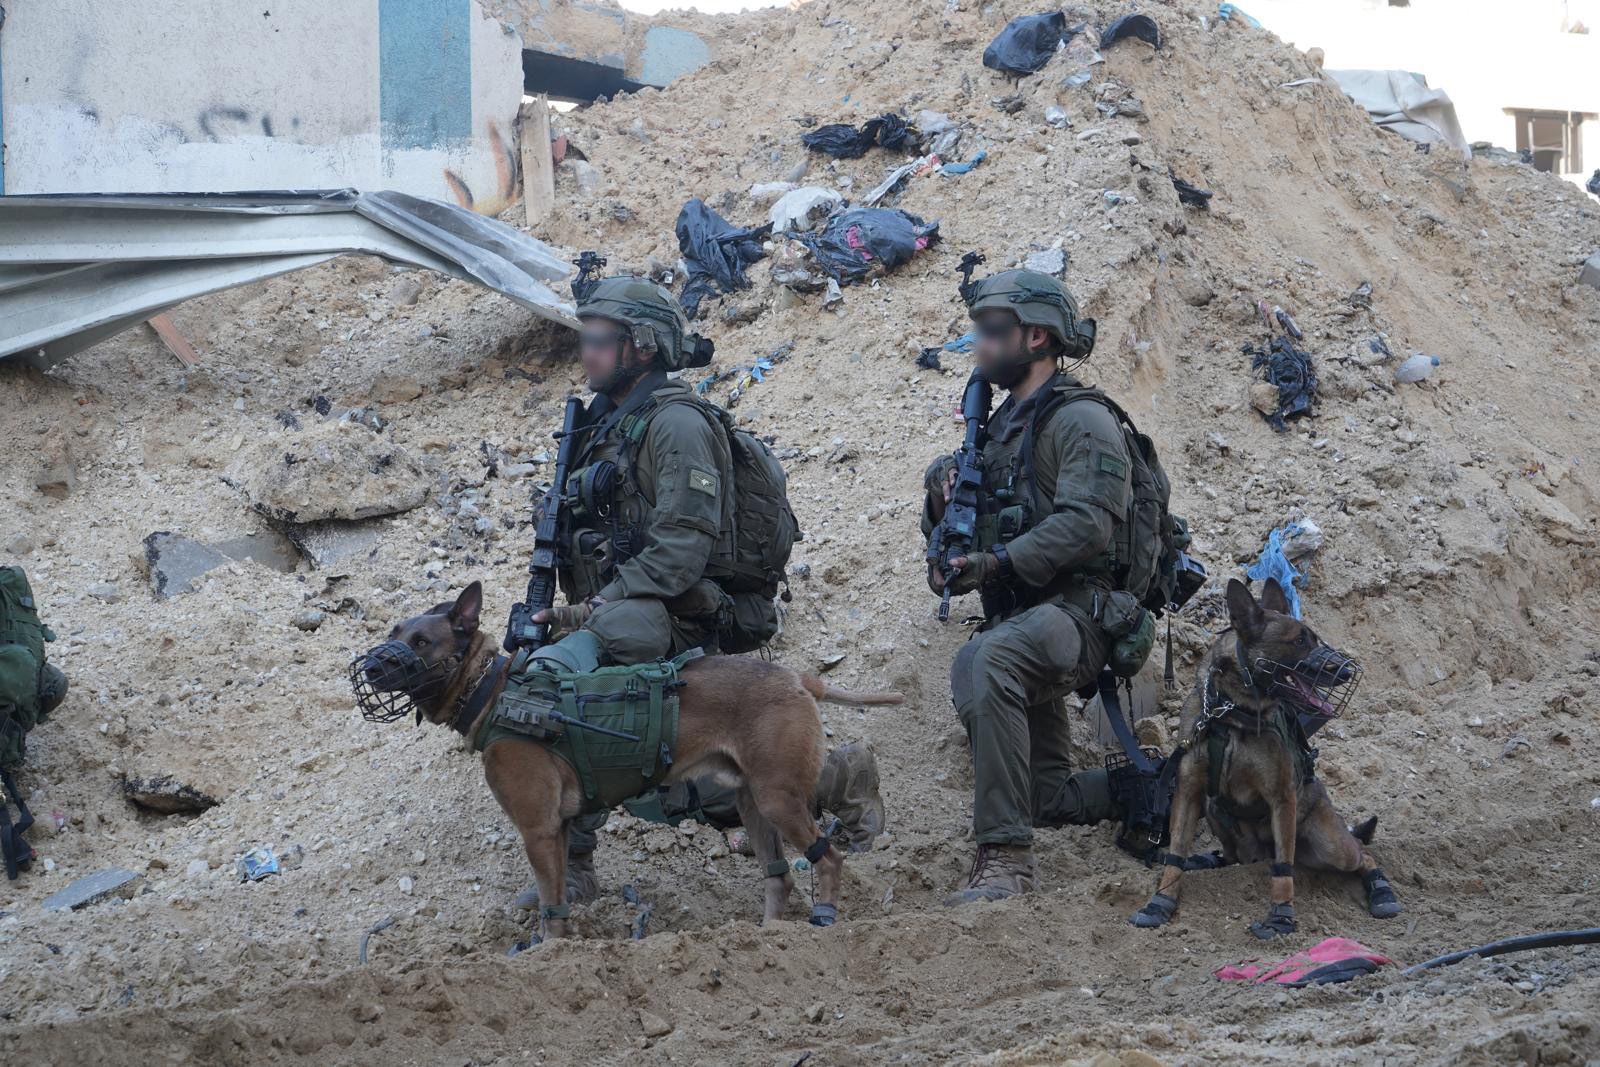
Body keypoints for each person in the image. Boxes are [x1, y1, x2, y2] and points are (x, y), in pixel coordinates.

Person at [519, 276, 883, 905]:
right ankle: (575, 866)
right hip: (622, 615)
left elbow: (680, 554)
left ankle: (834, 777)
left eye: (600, 340)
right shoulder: (606, 425)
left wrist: (590, 610)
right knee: (589, 725)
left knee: (654, 761)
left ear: (643, 347)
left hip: (673, 615)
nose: (586, 352)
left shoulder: (677, 425)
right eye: (585, 338)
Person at [922, 270, 1131, 905]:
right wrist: (943, 520)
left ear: (1036, 337)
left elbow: (1087, 525)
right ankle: (1171, 789)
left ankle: (1006, 863)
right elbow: (968, 532)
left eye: (991, 331)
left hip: (1080, 614)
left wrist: (996, 564)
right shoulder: (999, 431)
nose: (978, 344)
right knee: (1047, 798)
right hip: (1024, 615)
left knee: (987, 660)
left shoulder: (1082, 419)